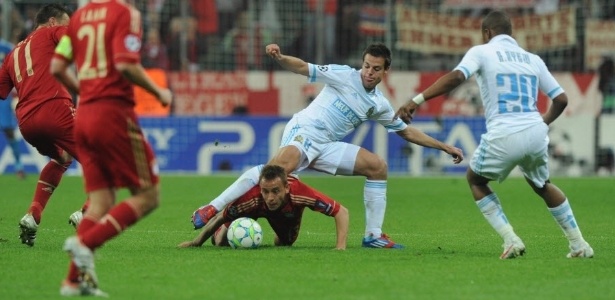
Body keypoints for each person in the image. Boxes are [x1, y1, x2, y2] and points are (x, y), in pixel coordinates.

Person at [192, 42, 464, 249]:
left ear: (386, 70)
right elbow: (303, 68)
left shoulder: (379, 103)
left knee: (377, 167)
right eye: (367, 65)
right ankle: (212, 208)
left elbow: (405, 132)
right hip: (305, 132)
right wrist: (280, 57)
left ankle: (373, 235)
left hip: (326, 145)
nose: (369, 72)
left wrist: (444, 146)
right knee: (273, 171)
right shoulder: (343, 75)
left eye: (376, 68)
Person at [395, 10, 594, 259]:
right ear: (510, 33)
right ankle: (579, 245)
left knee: (476, 180)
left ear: (487, 33)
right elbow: (561, 100)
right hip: (535, 130)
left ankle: (511, 239)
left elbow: (457, 76)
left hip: (504, 132)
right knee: (543, 185)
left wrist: (417, 100)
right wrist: (542, 123)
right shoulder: (532, 59)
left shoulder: (482, 51)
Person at [50, 0, 173, 296]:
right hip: (113, 115)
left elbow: (57, 66)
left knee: (101, 202)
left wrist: (85, 92)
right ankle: (85, 244)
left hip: (84, 117)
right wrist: (158, 91)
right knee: (148, 195)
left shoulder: (79, 18)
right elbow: (125, 63)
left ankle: (72, 281)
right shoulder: (125, 14)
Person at [0, 4, 86, 247]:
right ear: (51, 22)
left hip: (27, 123)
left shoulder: (12, 54)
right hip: (55, 110)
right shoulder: (51, 33)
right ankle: (86, 215)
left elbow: (2, 91)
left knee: (63, 158)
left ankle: (32, 215)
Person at [179, 165, 349, 250]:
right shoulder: (252, 197)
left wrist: (340, 247)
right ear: (260, 189)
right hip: (253, 211)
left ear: (286, 188)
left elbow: (341, 211)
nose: (270, 198)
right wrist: (195, 243)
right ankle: (223, 232)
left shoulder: (300, 193)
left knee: (285, 243)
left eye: (275, 191)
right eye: (265, 192)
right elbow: (219, 216)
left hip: (287, 215)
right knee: (221, 243)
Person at [0, 38, 25, 180]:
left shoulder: (6, 47)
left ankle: (18, 165)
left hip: (3, 94)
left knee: (9, 131)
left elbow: (18, 65)